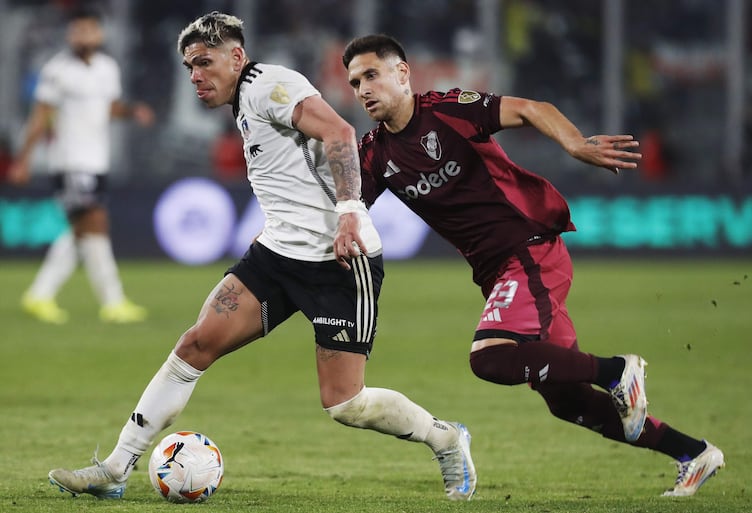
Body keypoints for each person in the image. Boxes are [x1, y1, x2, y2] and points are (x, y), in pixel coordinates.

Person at [47, 12, 476, 501]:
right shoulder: (244, 101)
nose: (195, 77)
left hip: (338, 260)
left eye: (204, 63)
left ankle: (445, 437)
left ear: (236, 57)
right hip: (276, 253)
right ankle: (116, 468)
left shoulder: (269, 86)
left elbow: (338, 132)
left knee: (345, 403)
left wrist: (351, 212)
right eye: (189, 67)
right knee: (195, 345)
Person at [342, 34, 724, 497]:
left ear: (403, 73)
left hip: (530, 249)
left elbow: (529, 108)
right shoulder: (374, 154)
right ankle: (693, 452)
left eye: (372, 75)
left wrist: (577, 144)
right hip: (497, 272)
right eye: (355, 82)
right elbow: (347, 209)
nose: (363, 89)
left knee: (489, 357)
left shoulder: (447, 109)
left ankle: (617, 370)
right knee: (567, 399)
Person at [8, 6, 154, 324]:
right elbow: (40, 116)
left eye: (89, 29)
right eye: (77, 30)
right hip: (71, 161)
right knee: (95, 224)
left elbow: (110, 107)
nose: (83, 35)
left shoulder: (107, 67)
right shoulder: (57, 70)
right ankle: (113, 302)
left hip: (96, 159)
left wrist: (132, 112)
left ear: (99, 33)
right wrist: (23, 159)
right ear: (69, 34)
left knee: (80, 231)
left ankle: (39, 294)